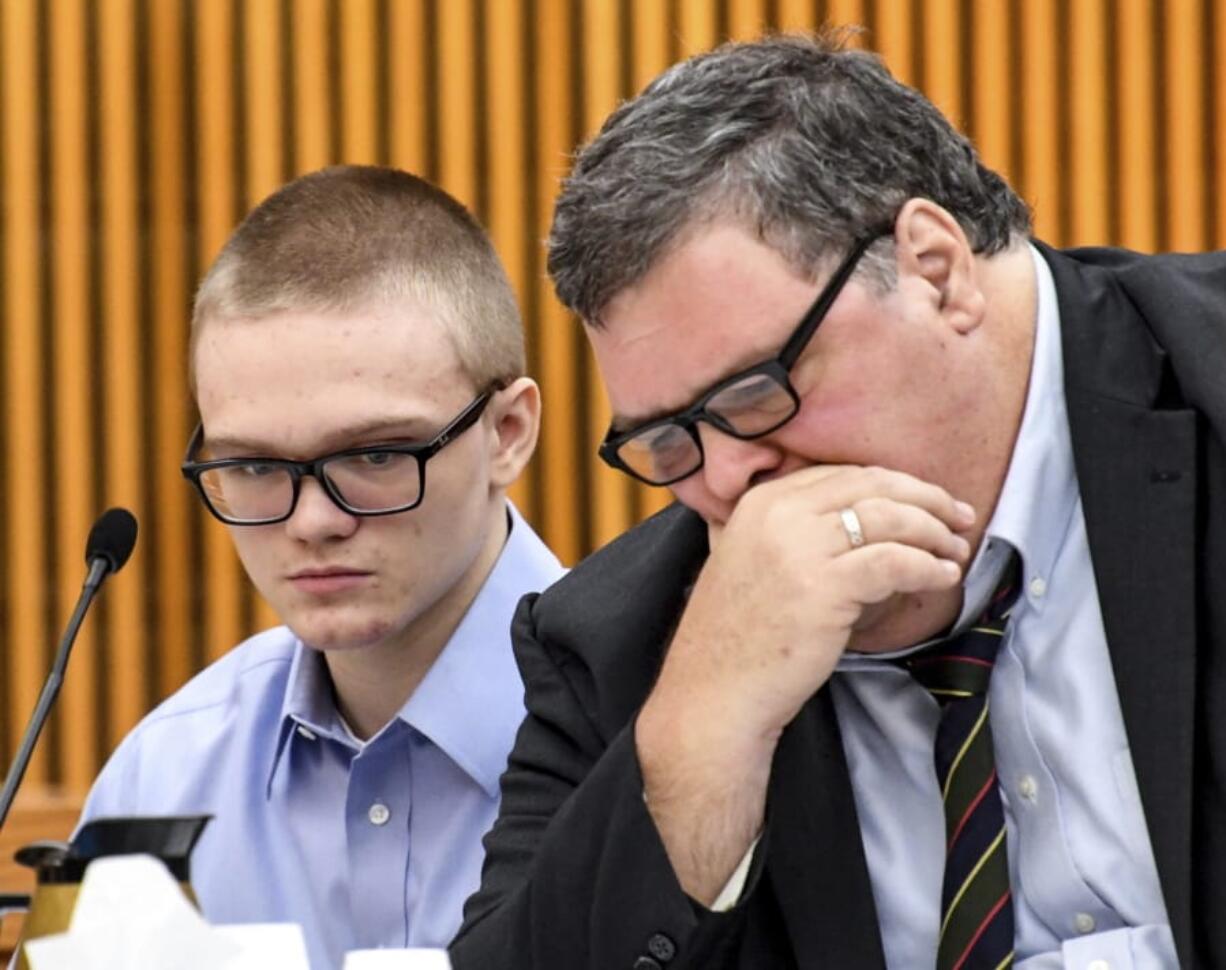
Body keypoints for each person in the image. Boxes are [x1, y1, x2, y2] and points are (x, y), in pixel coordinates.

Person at [450, 33, 1226, 970]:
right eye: (667, 439)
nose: (726, 481)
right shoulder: (626, 643)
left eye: (753, 394)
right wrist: (701, 738)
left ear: (934, 270)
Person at [80, 165, 564, 970]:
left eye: (374, 453)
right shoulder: (162, 776)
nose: (313, 522)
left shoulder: (667, 732)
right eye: (255, 466)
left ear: (507, 433)